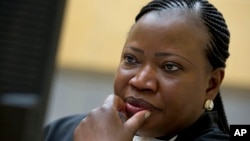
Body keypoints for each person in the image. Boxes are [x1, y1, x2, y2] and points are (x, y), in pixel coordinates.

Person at [44, 0, 231, 140]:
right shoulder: (63, 132)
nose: (140, 81)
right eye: (131, 59)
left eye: (170, 66)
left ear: (211, 85)